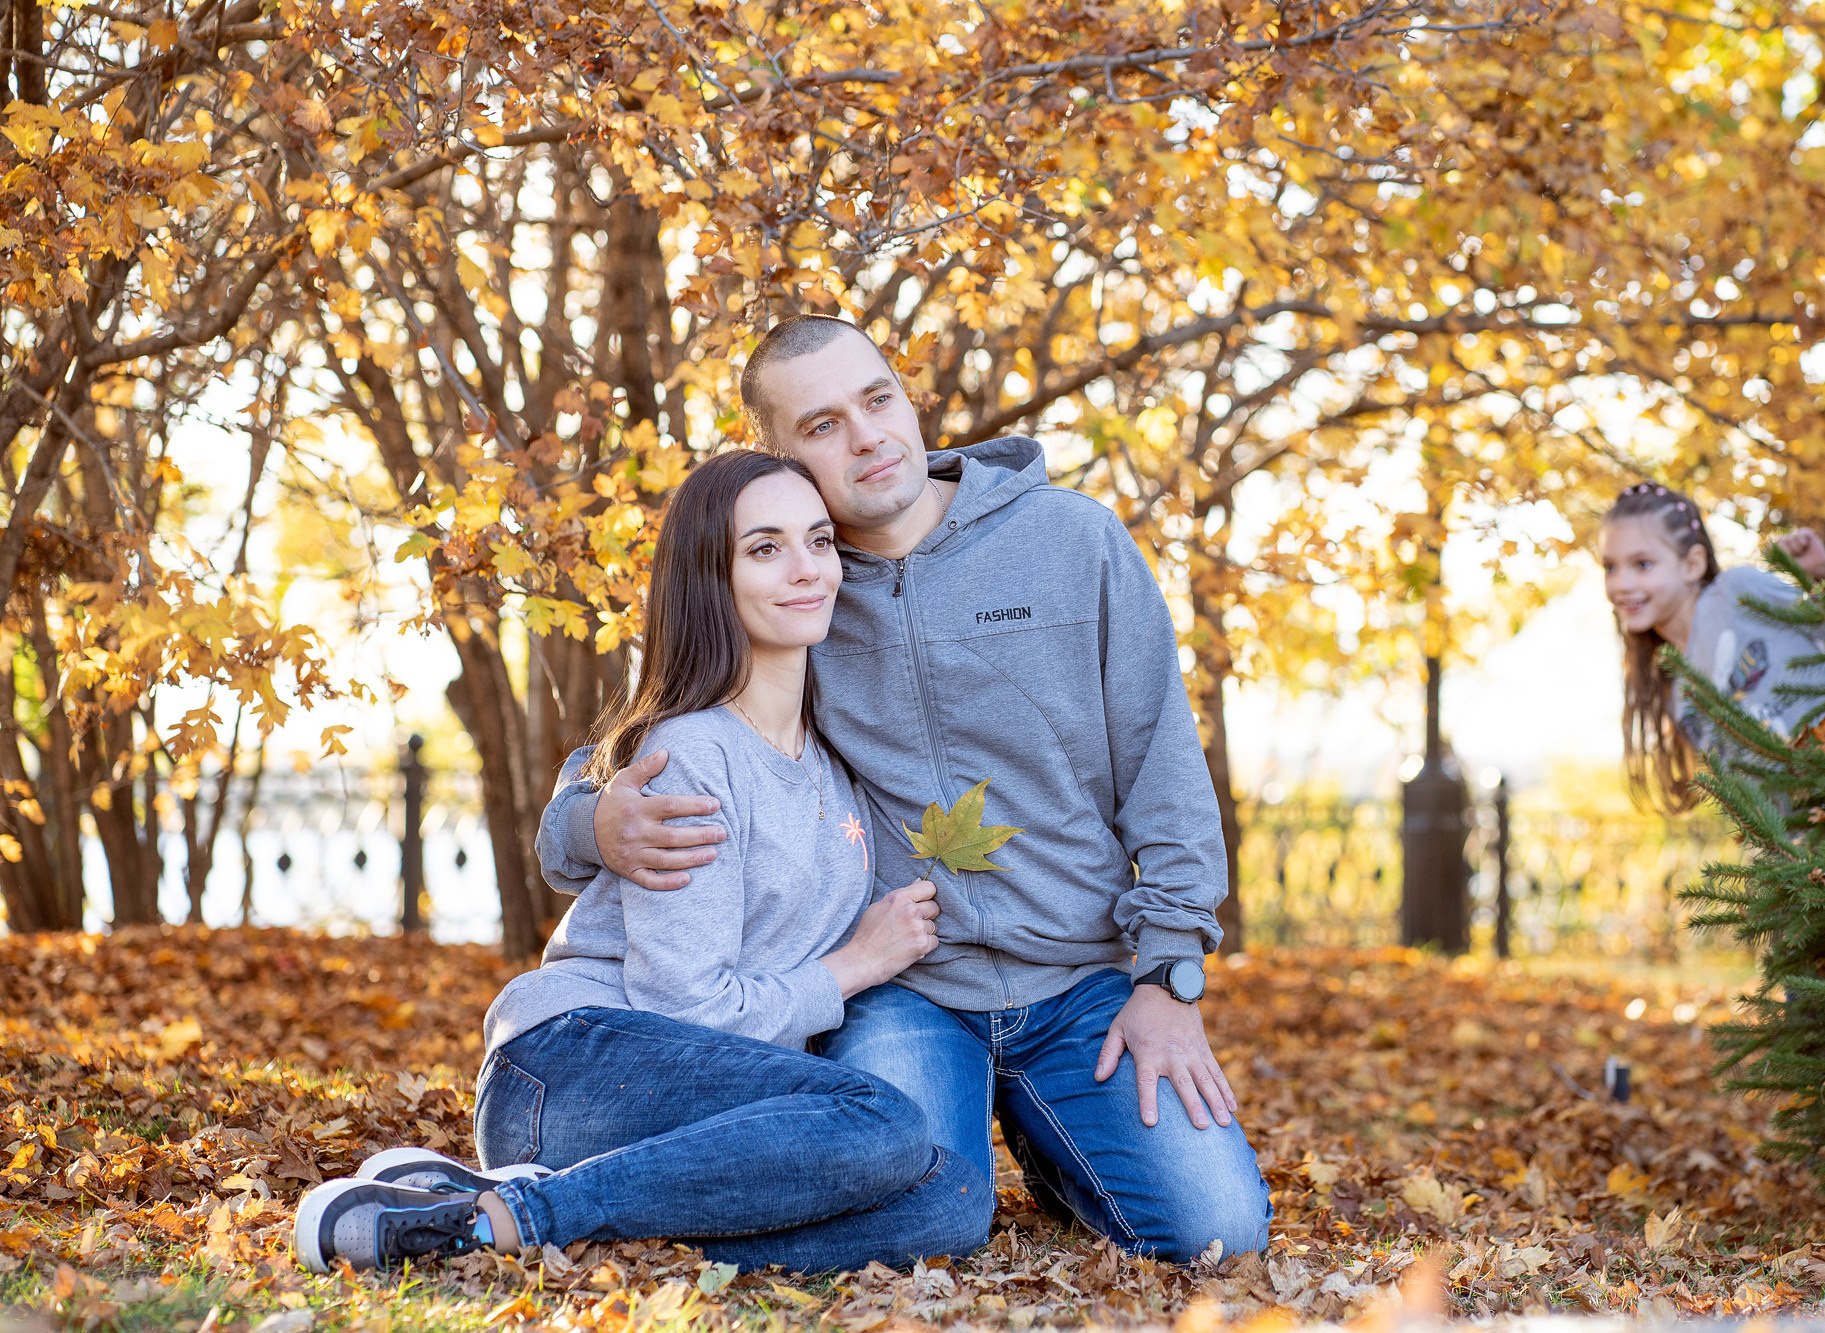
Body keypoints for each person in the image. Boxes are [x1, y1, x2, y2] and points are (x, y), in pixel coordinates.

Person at [539, 315, 1270, 1263]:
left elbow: (1165, 770)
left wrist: (1169, 973)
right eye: (823, 425)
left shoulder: (1073, 540)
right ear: (784, 456)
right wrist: (592, 822)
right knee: (920, 1221)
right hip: (902, 987)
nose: (868, 436)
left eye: (878, 399)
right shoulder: (794, 583)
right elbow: (645, 731)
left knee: (1218, 1232)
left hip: (1081, 980)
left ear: (908, 397)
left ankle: (1055, 1134)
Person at [293, 449, 989, 1275]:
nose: (808, 569)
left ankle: (523, 1211)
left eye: (818, 541)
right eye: (765, 548)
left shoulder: (832, 758)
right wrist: (854, 965)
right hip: (571, 1064)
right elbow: (685, 1008)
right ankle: (517, 1215)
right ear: (710, 581)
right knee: (886, 1121)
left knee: (954, 1199)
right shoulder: (691, 754)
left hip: (687, 1107)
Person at [1600, 480, 1825, 812]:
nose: (1621, 584)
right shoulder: (1680, 694)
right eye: (1610, 567)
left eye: (1642, 564)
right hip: (1819, 837)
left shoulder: (1738, 592)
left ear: (1692, 565)